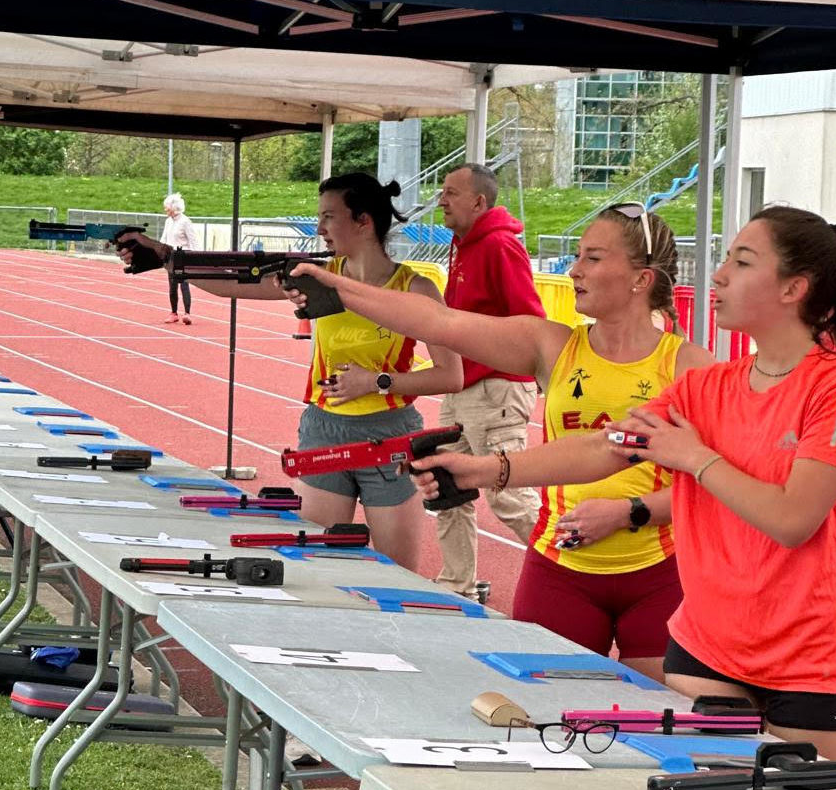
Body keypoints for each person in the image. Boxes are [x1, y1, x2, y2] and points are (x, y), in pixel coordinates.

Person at [403, 205, 836, 776]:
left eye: (741, 261)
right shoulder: (710, 385)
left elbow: (793, 519)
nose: (718, 274)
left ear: (793, 288)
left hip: (811, 662)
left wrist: (695, 458)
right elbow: (604, 447)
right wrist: (483, 470)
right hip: (707, 653)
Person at [287, 203, 714, 682]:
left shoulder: (691, 367)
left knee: (658, 719)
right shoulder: (551, 344)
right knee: (545, 715)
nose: (573, 270)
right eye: (577, 255)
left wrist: (629, 512)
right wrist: (336, 286)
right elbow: (437, 322)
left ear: (641, 279)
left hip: (658, 575)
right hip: (561, 570)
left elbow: (710, 484)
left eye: (592, 258)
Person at [119, 173, 463, 571]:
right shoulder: (316, 278)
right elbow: (233, 284)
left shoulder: (416, 289)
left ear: (363, 221)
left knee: (398, 575)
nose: (319, 229)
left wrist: (376, 382)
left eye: (329, 217)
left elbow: (451, 376)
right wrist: (165, 255)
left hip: (390, 437)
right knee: (316, 567)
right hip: (324, 430)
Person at [433, 163, 545, 600]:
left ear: (478, 201)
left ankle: (571, 571)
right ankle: (456, 582)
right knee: (446, 485)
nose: (441, 199)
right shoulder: (463, 244)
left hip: (495, 387)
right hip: (463, 384)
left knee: (507, 494)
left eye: (451, 192)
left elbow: (530, 316)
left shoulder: (499, 245)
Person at [160, 193, 199, 325]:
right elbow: (164, 239)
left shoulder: (185, 221)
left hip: (183, 256)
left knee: (184, 285)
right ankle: (173, 313)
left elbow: (193, 240)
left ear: (174, 207)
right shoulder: (168, 221)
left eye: (167, 207)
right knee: (172, 286)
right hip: (171, 257)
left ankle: (187, 313)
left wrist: (196, 257)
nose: (165, 209)